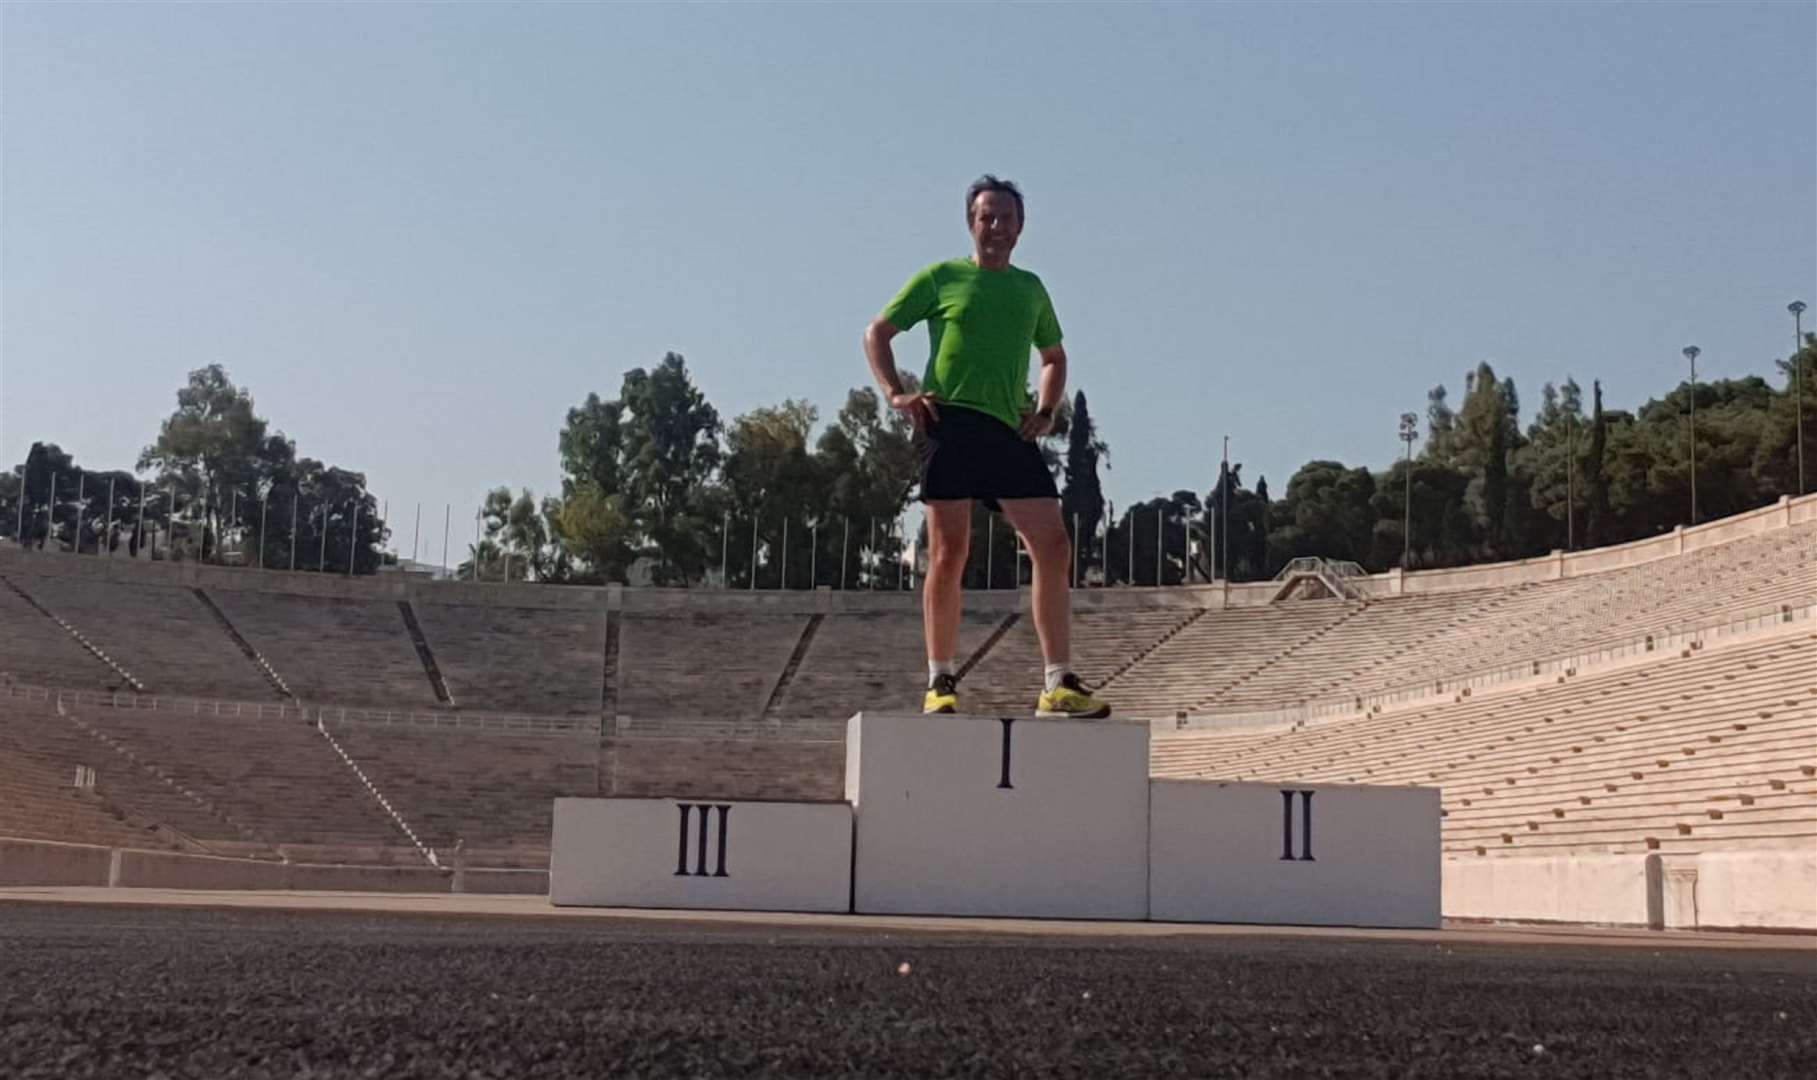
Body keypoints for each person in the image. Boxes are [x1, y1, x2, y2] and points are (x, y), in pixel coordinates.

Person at [862, 175, 1111, 718]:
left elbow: (1054, 356)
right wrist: (895, 393)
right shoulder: (941, 277)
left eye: (1006, 218)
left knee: (1054, 544)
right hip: (947, 420)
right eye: (986, 217)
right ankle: (940, 679)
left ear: (1021, 227)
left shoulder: (1030, 288)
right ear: (971, 223)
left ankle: (1056, 682)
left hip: (1006, 428)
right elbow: (878, 331)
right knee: (951, 551)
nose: (996, 227)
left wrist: (1045, 412)